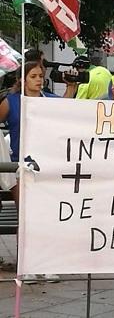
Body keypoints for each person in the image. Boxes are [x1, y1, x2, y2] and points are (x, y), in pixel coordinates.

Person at [0, 60, 74, 284]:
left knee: (48, 217)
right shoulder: (10, 102)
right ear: (22, 79)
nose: (38, 80)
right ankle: (27, 264)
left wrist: (71, 87)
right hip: (19, 166)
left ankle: (47, 263)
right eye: (33, 76)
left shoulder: (49, 100)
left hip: (47, 165)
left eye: (40, 76)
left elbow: (66, 113)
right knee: (26, 217)